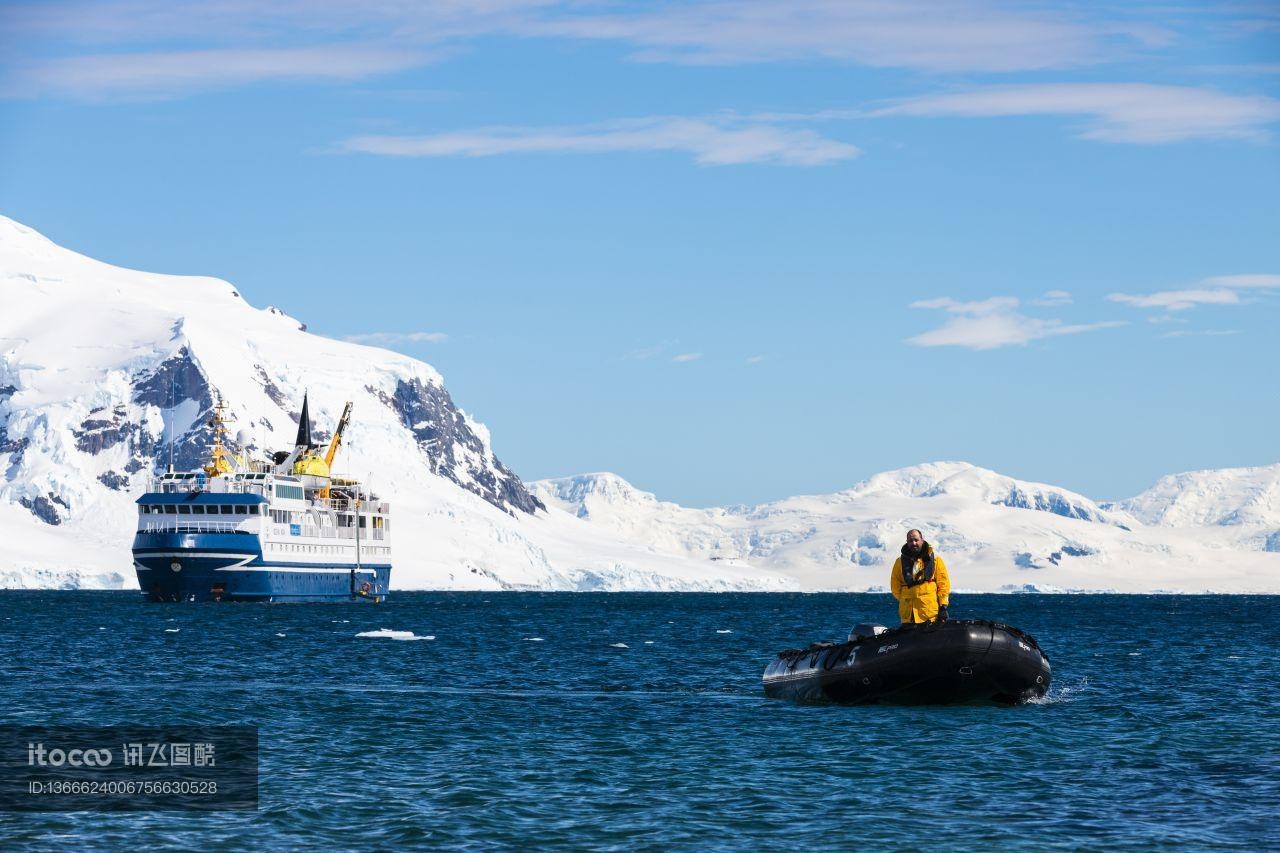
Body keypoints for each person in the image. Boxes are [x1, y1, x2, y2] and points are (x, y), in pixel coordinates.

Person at [890, 528, 951, 625]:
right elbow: (895, 587)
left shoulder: (935, 560)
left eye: (916, 540)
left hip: (929, 615)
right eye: (910, 541)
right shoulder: (899, 562)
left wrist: (943, 606)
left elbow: (943, 585)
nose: (913, 543)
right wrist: (906, 599)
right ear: (907, 542)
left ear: (922, 540)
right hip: (908, 617)